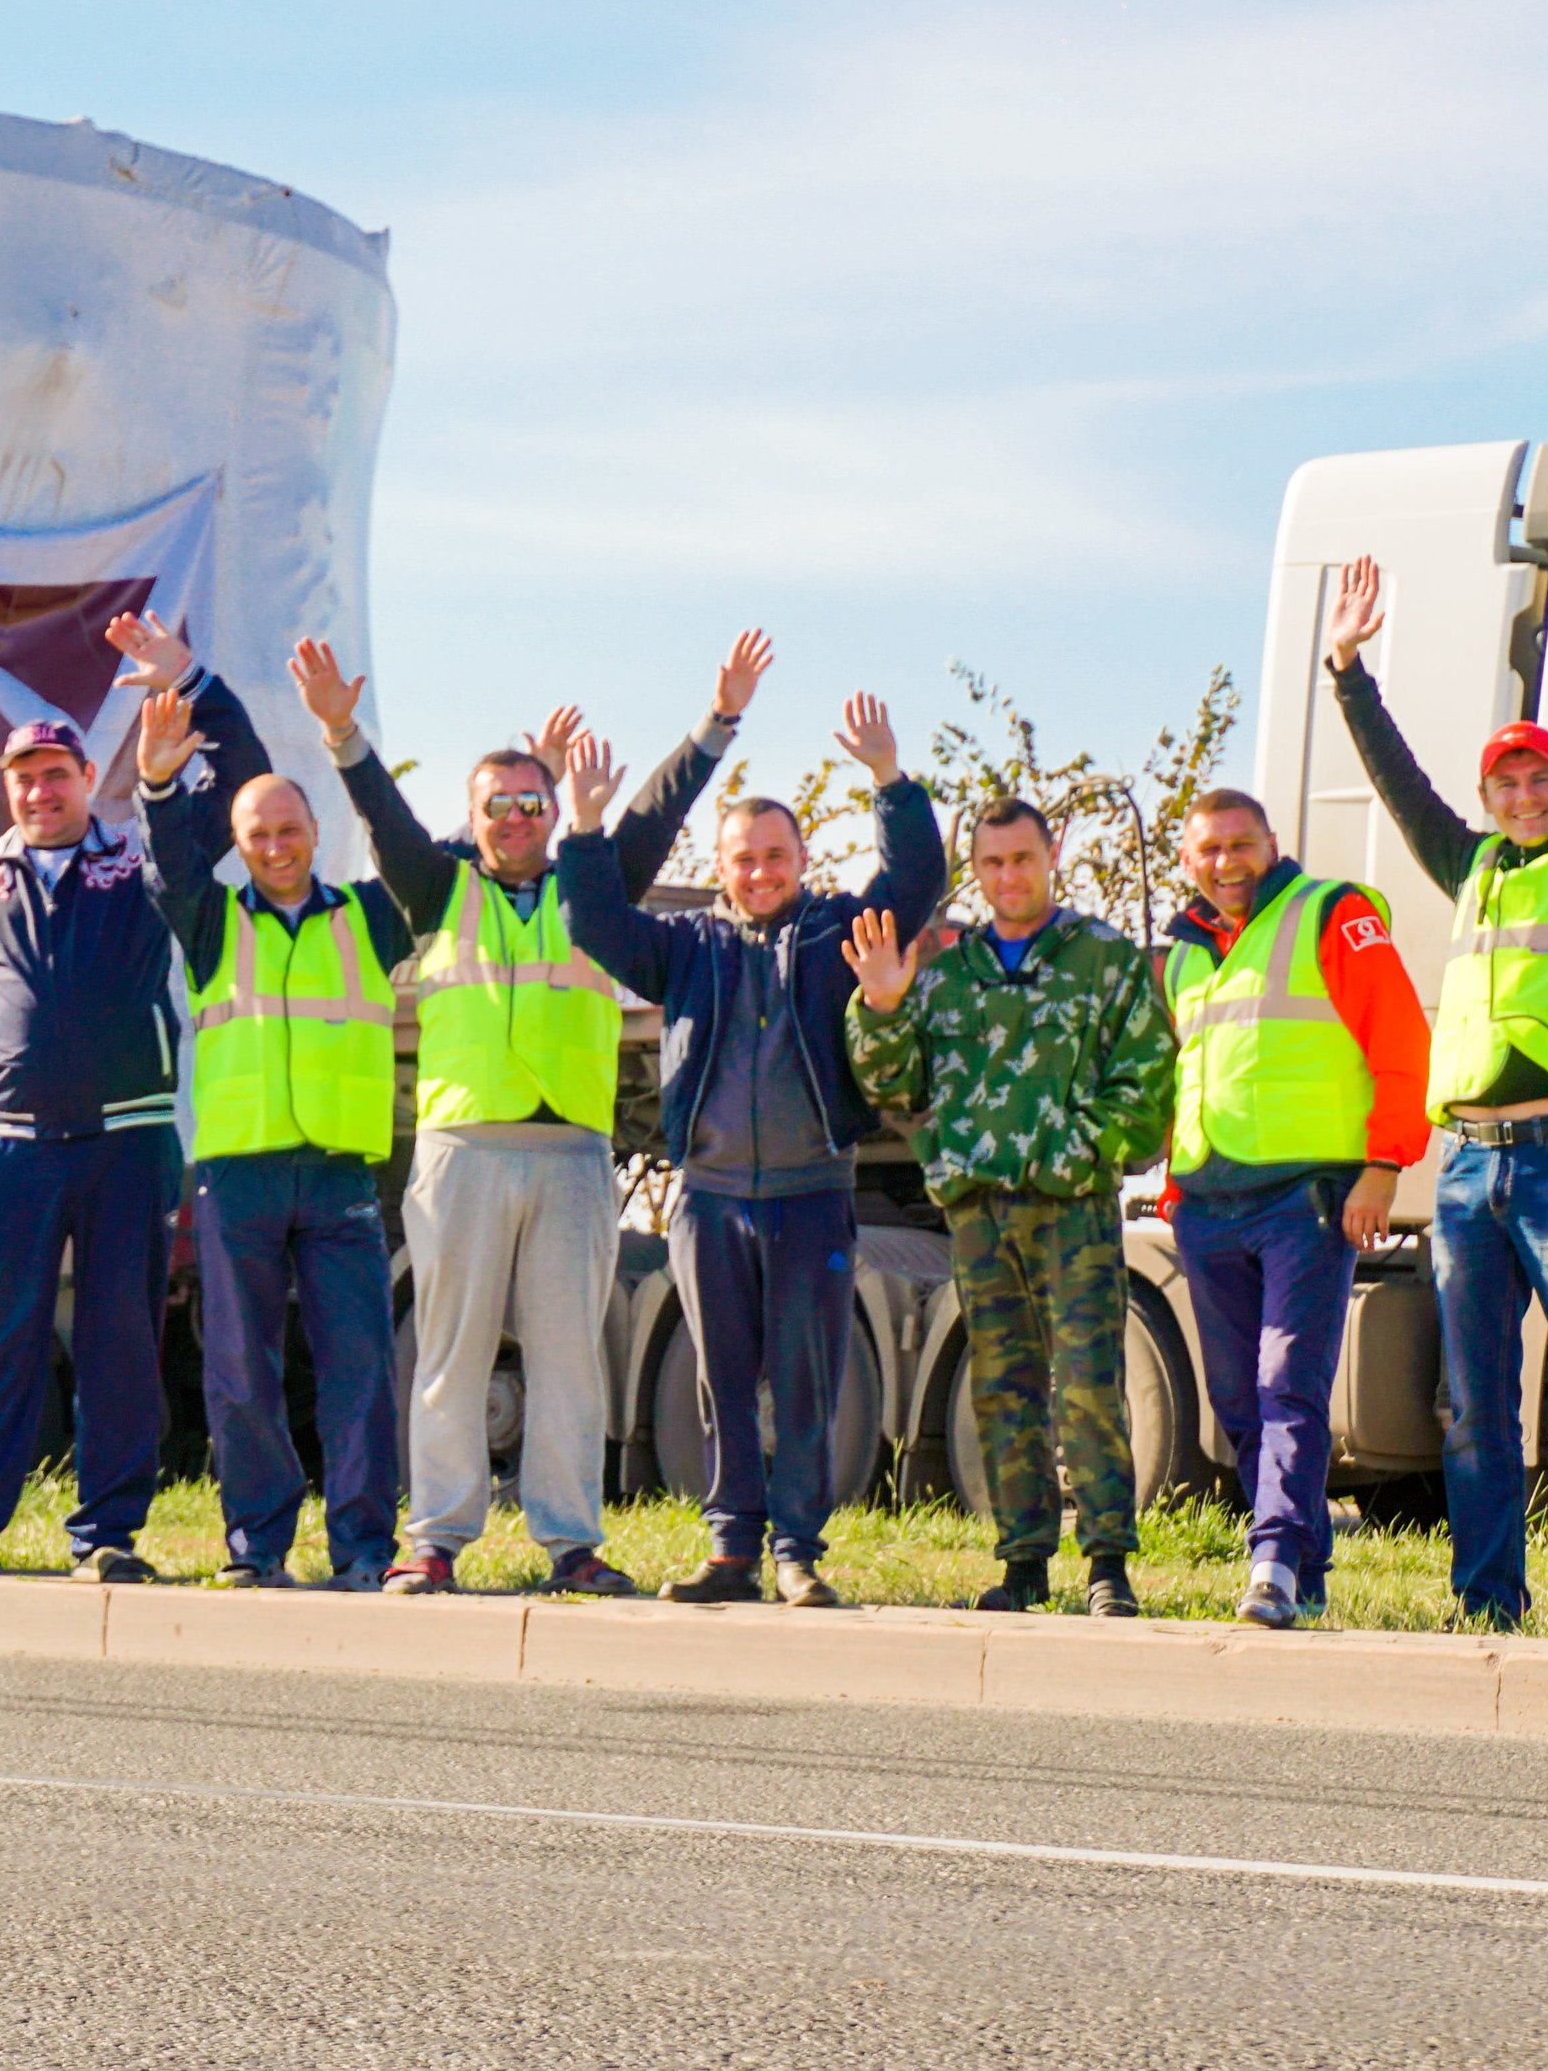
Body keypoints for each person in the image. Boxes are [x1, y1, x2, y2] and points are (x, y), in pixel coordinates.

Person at [285, 632, 757, 1598]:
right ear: (472, 817)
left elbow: (658, 817)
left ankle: (570, 1542)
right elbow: (382, 817)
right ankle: (436, 1540)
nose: (514, 817)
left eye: (531, 803)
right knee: (450, 1356)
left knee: (569, 1364)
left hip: (572, 1153)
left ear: (552, 811)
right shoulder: (437, 887)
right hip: (463, 1151)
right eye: (495, 803)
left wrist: (716, 725)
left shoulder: (592, 884)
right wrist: (341, 733)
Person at [1322, 489, 1548, 1626]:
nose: (1522, 794)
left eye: (1540, 777)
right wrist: (1346, 674)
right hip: (1468, 1169)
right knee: (1471, 1405)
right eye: (1504, 783)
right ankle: (1487, 1600)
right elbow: (1403, 786)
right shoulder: (1470, 865)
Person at [0, 616, 264, 1581]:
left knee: (118, 1343)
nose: (40, 790)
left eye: (57, 774)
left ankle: (106, 1538)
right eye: (24, 778)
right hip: (10, 1149)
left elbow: (245, 784)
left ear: (87, 779)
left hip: (129, 1142)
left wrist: (195, 683)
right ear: (7, 789)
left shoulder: (141, 858)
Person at [558, 701, 945, 1607]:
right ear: (721, 868)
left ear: (802, 860)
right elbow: (591, 921)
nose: (761, 871)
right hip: (711, 1199)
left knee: (807, 1378)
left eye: (777, 856)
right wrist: (583, 826)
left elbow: (919, 877)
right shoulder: (684, 947)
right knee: (721, 1379)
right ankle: (731, 1548)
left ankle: (798, 1551)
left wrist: (889, 780)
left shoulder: (836, 936)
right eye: (745, 859)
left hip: (813, 1193)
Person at [841, 797, 1172, 1619]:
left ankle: (1107, 1564)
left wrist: (1075, 1150)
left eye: (1021, 859)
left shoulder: (1103, 959)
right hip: (981, 1215)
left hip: (1073, 1211)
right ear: (975, 871)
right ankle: (1023, 1558)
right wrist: (880, 1007)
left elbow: (1148, 1080)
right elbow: (893, 1086)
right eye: (991, 864)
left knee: (1091, 1386)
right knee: (1001, 1388)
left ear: (1051, 854)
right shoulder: (947, 975)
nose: (1007, 877)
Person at [139, 671, 408, 1591]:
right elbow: (172, 861)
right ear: (240, 845)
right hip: (237, 1175)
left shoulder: (369, 918)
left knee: (359, 1370)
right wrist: (159, 786)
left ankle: (365, 1549)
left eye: (291, 830)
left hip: (338, 1176)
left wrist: (346, 743)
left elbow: (409, 851)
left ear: (316, 834)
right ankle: (257, 1548)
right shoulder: (210, 922)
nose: (277, 846)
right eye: (259, 835)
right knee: (241, 1376)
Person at [1155, 787, 1431, 1627]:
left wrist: (1383, 1168)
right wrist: (1174, 1187)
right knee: (1238, 1398)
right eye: (1209, 850)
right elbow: (1195, 1071)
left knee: (1288, 1381)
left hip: (1305, 1201)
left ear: (1271, 843)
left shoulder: (1330, 914)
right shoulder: (1182, 953)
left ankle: (1271, 1558)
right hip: (1207, 1204)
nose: (1226, 863)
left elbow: (1402, 1040)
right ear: (1187, 860)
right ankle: (1303, 1575)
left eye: (1241, 845)